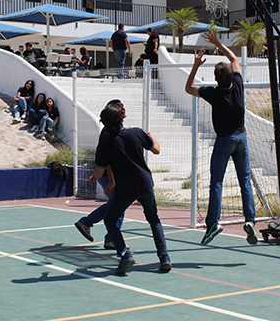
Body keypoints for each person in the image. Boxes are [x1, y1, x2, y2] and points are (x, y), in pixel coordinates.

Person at [184, 31, 258, 246]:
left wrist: (196, 65)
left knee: (217, 182)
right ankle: (250, 220)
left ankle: (213, 224)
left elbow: (188, 88)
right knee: (245, 182)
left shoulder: (213, 93)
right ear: (231, 76)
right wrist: (218, 43)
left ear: (216, 79)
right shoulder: (238, 85)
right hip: (241, 139)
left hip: (224, 141)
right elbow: (234, 58)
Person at [89, 100, 171, 274]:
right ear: (121, 118)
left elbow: (98, 173)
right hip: (145, 185)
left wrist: (98, 177)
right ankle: (164, 257)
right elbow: (156, 149)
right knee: (154, 220)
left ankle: (125, 255)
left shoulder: (105, 144)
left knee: (110, 220)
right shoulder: (137, 133)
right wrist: (153, 137)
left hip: (125, 190)